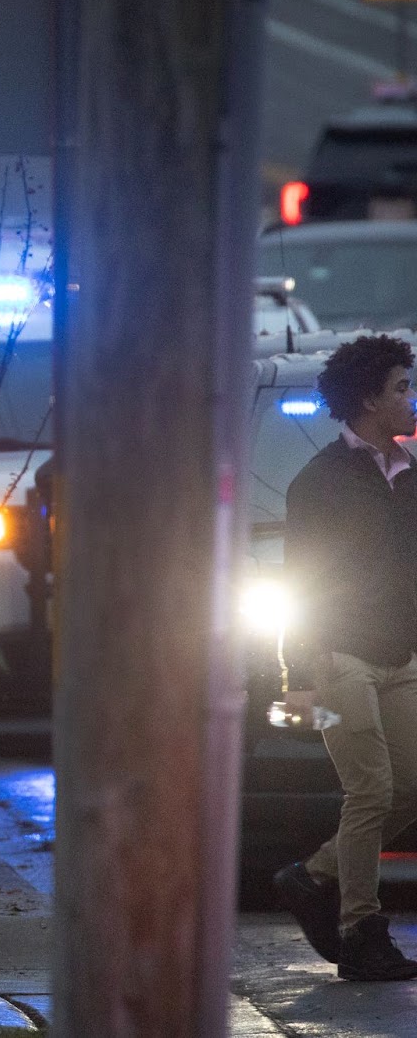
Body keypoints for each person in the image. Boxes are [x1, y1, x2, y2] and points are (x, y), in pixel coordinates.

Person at [275, 334, 417, 982]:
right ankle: (361, 928)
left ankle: (312, 876)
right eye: (401, 388)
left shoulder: (410, 474)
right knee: (371, 788)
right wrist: (301, 675)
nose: (411, 399)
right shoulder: (320, 483)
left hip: (400, 652)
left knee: (409, 783)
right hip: (339, 656)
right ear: (368, 399)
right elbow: (299, 581)